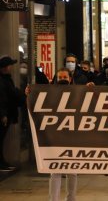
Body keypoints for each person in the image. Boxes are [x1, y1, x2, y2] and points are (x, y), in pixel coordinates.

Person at [27, 67, 78, 200]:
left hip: (73, 137)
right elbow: (35, 106)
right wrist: (29, 94)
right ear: (55, 79)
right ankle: (53, 199)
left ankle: (71, 198)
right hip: (54, 137)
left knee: (72, 172)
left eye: (65, 78)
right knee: (55, 171)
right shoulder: (46, 93)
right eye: (60, 78)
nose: (62, 80)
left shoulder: (79, 93)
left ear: (70, 79)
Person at [0, 56, 25, 171]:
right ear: (5, 68)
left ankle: (2, 162)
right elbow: (2, 98)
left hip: (7, 112)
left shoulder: (6, 79)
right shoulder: (2, 80)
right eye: (10, 65)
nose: (11, 67)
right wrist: (3, 114)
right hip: (5, 114)